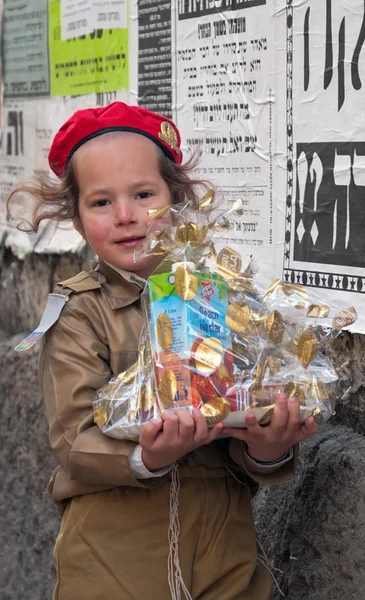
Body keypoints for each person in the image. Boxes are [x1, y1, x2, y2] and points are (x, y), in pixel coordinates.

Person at [8, 102, 318, 600]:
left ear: (175, 198)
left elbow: (241, 416)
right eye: (101, 202)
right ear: (78, 217)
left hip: (226, 549)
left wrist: (268, 447)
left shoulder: (221, 301)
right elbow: (72, 440)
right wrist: (146, 457)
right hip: (111, 553)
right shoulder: (79, 313)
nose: (127, 216)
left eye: (144, 194)